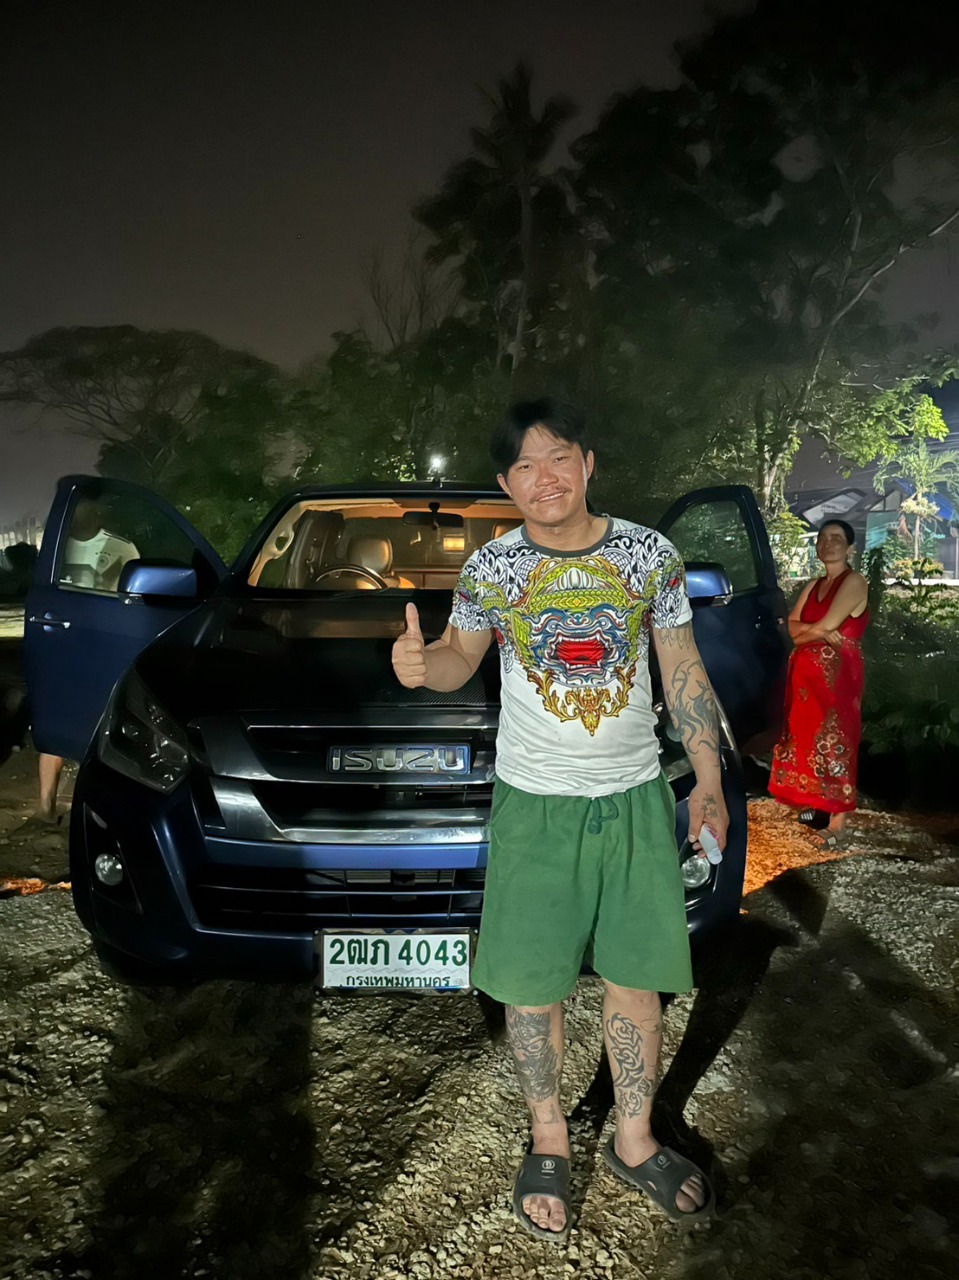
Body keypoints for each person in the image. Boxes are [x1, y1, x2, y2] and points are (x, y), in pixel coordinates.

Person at [391, 398, 725, 1240]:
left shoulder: (647, 555)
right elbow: (459, 658)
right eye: (524, 467)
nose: (544, 479)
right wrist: (420, 664)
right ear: (505, 484)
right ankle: (548, 1138)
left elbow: (682, 666)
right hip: (535, 804)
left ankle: (634, 1138)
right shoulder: (491, 569)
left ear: (587, 463)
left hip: (633, 798)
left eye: (558, 458)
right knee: (532, 987)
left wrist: (709, 780)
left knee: (635, 979)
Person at [34, 498, 139, 823]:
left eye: (84, 506)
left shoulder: (122, 549)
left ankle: (97, 808)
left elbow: (135, 602)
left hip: (104, 650)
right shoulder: (55, 550)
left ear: (97, 511)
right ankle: (46, 808)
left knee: (101, 728)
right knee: (55, 725)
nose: (76, 512)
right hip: (63, 650)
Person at [768, 519, 869, 842]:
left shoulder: (854, 582)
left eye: (836, 538)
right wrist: (818, 633)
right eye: (823, 538)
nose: (828, 543)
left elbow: (820, 626)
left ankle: (838, 821)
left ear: (850, 547)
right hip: (805, 679)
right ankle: (818, 804)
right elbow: (791, 628)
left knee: (835, 738)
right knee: (807, 738)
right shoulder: (814, 584)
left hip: (837, 675)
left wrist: (807, 632)